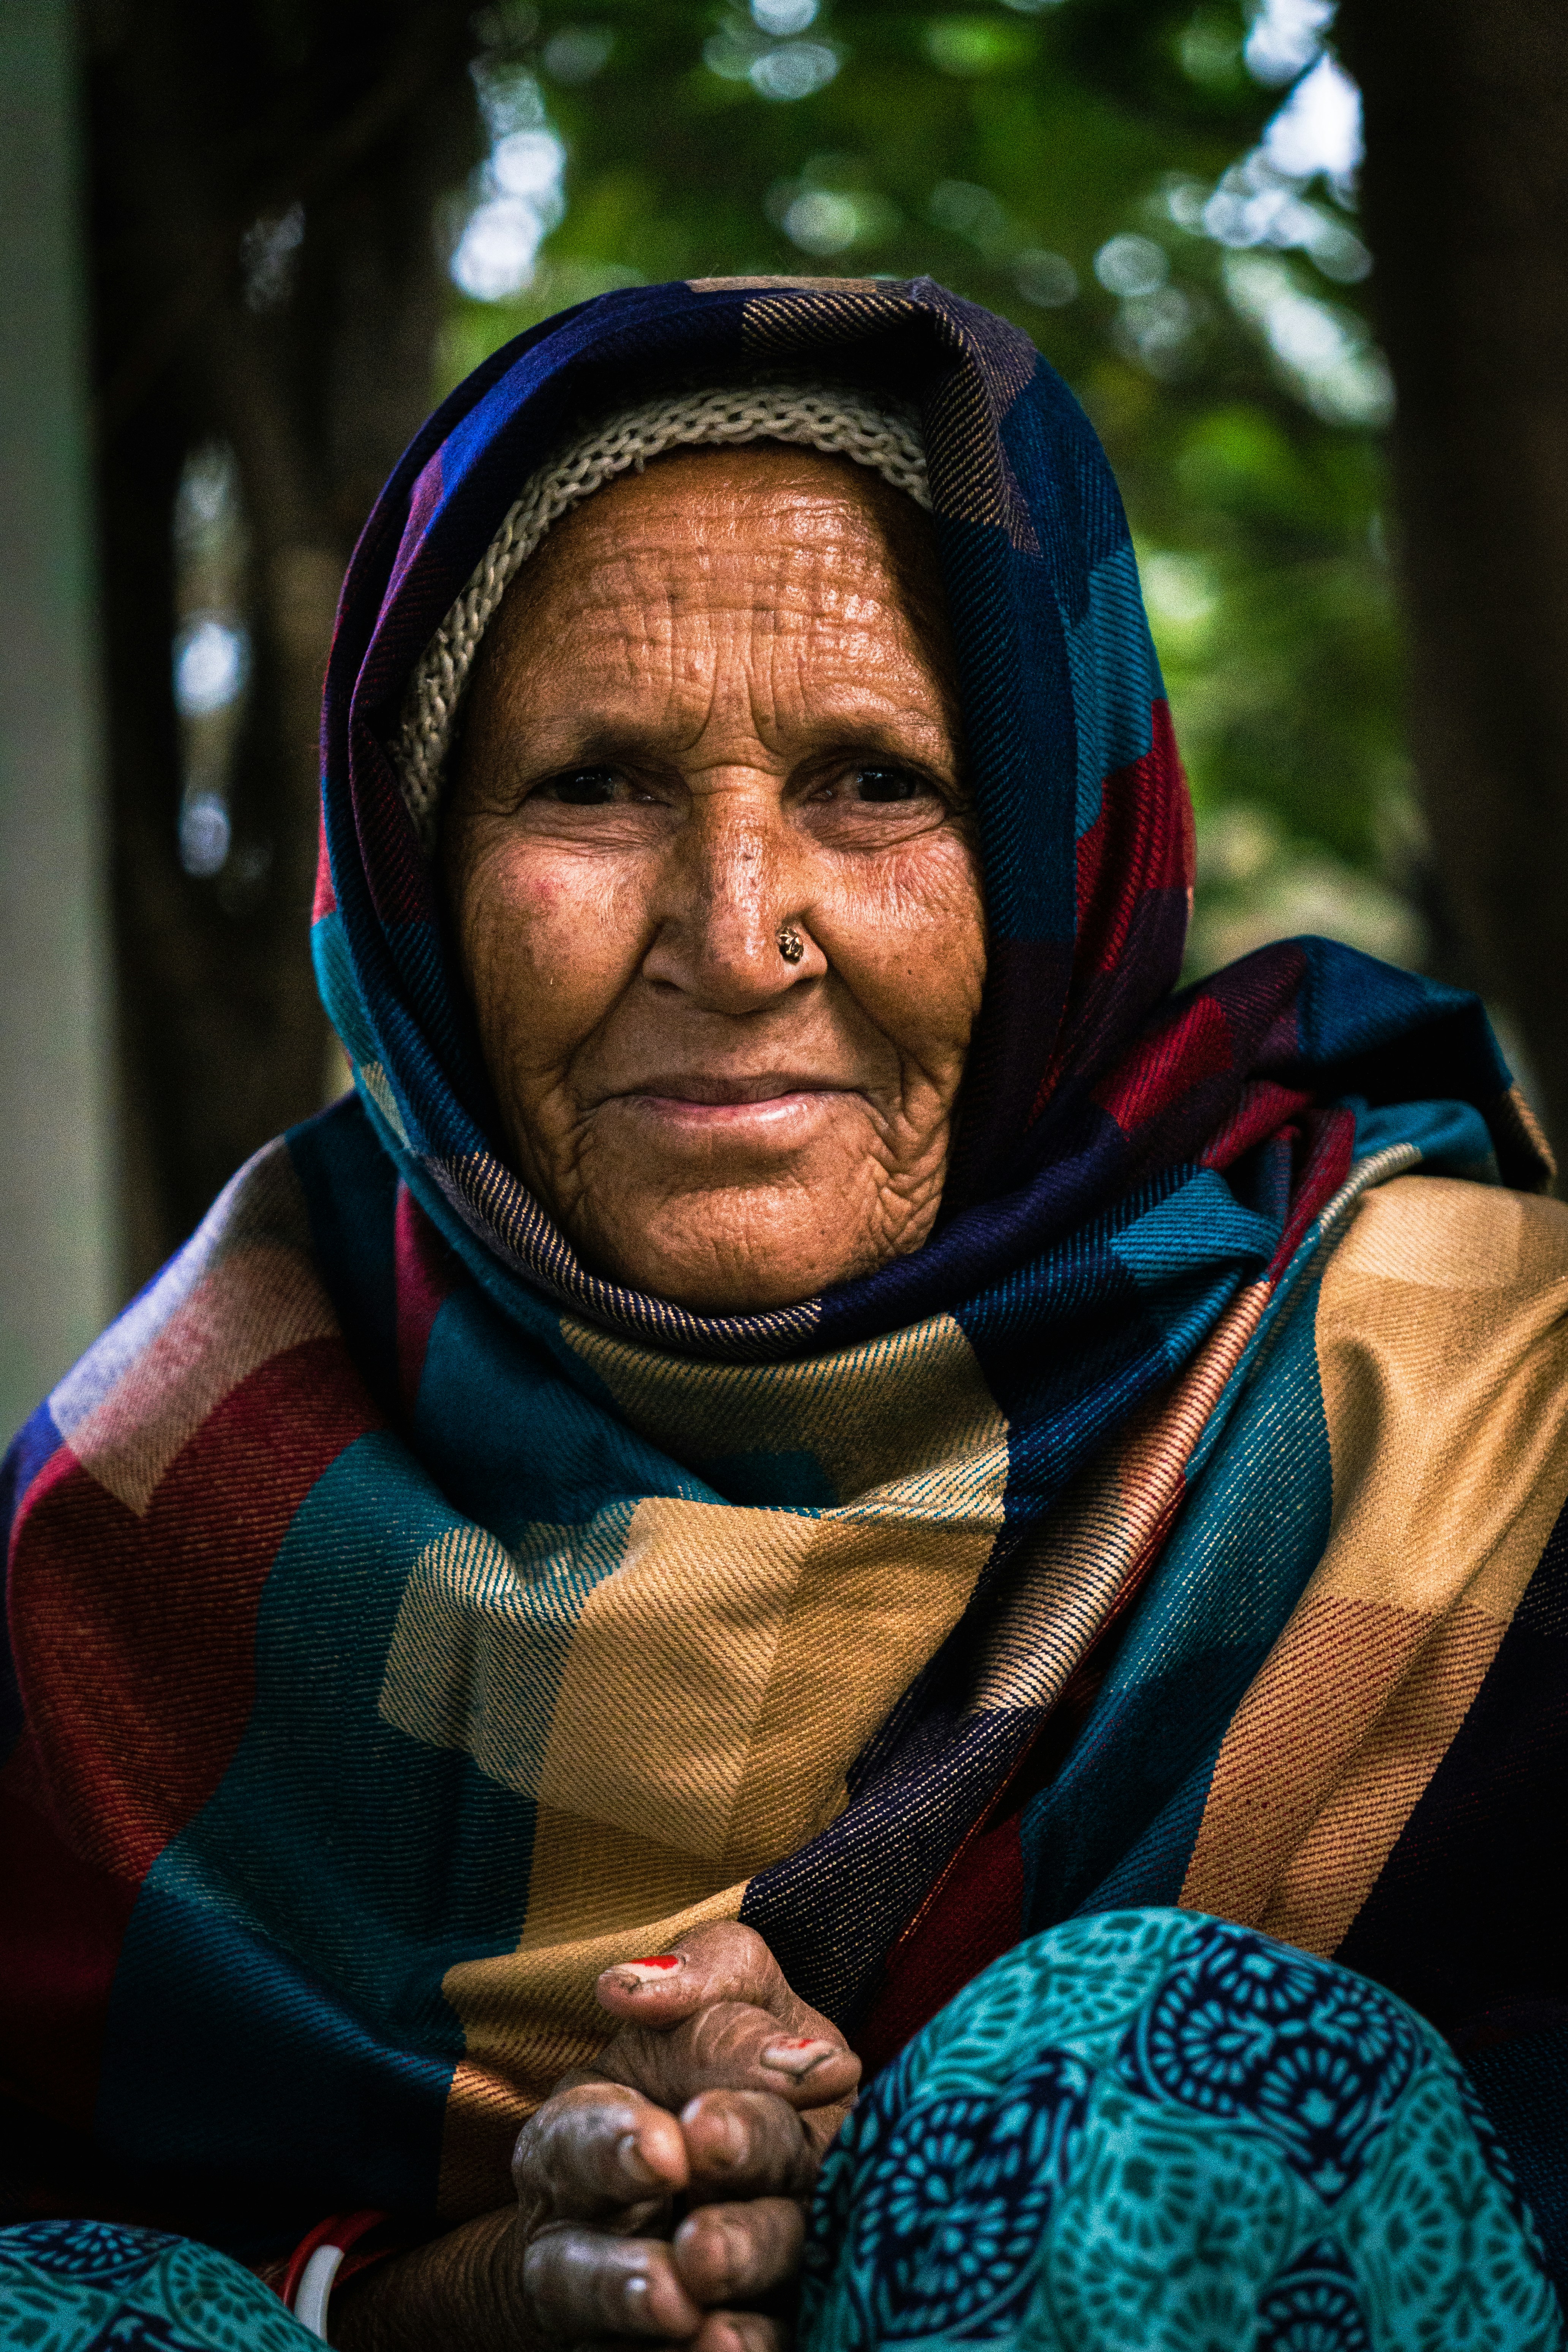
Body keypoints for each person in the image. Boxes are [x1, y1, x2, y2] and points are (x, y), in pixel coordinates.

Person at [2, 278, 1565, 2352]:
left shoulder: (1455, 1401)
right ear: (411, 878)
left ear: (1058, 859)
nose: (738, 938)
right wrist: (418, 2302)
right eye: (593, 786)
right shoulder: (160, 1506)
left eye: (873, 782)